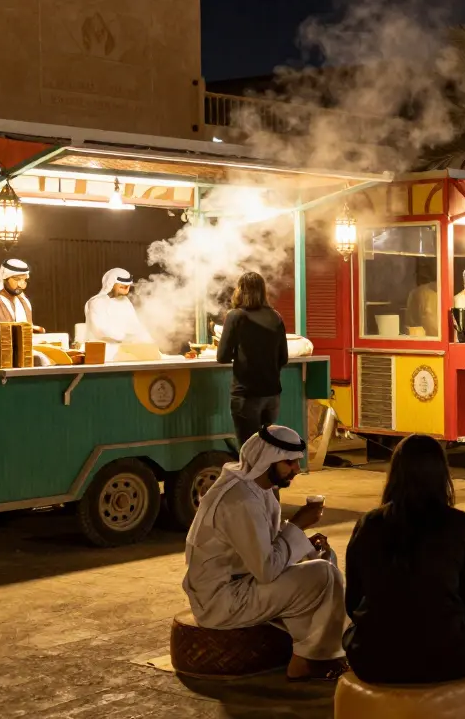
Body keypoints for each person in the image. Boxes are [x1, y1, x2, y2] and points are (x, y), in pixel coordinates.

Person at [182, 425, 347, 681]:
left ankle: (310, 648)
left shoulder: (259, 488)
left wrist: (303, 543)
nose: (296, 470)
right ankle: (308, 661)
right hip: (222, 599)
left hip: (247, 580)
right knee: (324, 574)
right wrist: (298, 526)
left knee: (323, 558)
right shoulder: (239, 499)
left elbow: (266, 542)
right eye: (289, 463)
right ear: (267, 459)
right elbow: (267, 569)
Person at [343, 434, 465, 683]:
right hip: (448, 659)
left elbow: (352, 603)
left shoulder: (368, 524)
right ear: (442, 476)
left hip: (373, 661)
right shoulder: (459, 524)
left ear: (395, 474)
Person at [217, 272, 289, 447]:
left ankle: (251, 475)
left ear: (240, 290)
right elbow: (284, 358)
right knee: (267, 448)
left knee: (249, 450)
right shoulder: (275, 316)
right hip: (272, 395)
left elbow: (222, 357)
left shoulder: (236, 316)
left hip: (247, 394)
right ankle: (266, 475)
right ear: (263, 291)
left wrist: (240, 352)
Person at [85, 268, 154, 359]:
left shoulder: (125, 302)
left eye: (128, 287)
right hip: (103, 354)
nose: (126, 290)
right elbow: (99, 330)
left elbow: (135, 326)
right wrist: (125, 337)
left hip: (125, 351)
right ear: (111, 284)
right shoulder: (97, 302)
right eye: (122, 287)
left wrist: (150, 343)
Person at [0, 258, 45, 332]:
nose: (21, 285)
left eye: (24, 280)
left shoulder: (24, 302)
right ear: (4, 278)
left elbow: (27, 331)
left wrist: (34, 329)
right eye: (16, 279)